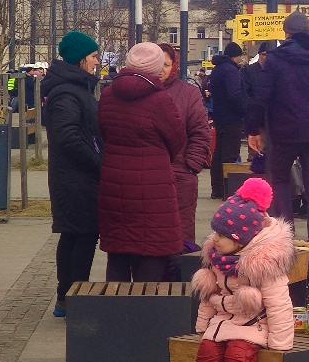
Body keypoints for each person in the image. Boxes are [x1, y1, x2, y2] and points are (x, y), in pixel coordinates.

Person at [189, 178, 294, 362]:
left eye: (223, 235)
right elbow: (208, 294)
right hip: (222, 322)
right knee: (208, 356)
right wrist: (202, 326)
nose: (216, 239)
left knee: (238, 357)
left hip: (253, 325)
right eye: (215, 232)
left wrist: (280, 344)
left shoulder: (263, 264)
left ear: (242, 239)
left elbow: (279, 303)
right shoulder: (217, 258)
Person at [246, 12, 309, 254]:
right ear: (308, 32)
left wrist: (253, 130)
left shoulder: (274, 60)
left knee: (280, 181)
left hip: (283, 132)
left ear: (286, 33)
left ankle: (285, 240)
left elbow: (261, 98)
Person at [98, 43, 188, 281]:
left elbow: (104, 132)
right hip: (153, 184)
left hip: (114, 180)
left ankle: (115, 310)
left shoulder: (108, 95)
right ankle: (145, 311)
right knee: (152, 247)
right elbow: (177, 139)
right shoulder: (160, 100)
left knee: (118, 249)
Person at [44, 31, 103, 317]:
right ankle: (72, 297)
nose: (96, 62)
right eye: (93, 57)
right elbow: (68, 137)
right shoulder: (67, 93)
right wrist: (97, 163)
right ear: (80, 59)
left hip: (77, 177)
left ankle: (68, 297)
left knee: (76, 237)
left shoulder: (76, 88)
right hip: (75, 179)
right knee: (80, 236)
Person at [159, 43, 213, 250]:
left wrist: (191, 165)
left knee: (181, 233)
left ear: (173, 65)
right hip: (147, 174)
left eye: (166, 64)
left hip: (180, 173)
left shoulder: (188, 93)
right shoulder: (142, 92)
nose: (161, 69)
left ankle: (178, 278)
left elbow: (201, 131)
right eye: (158, 64)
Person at [208, 42, 247, 199]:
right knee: (230, 154)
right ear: (235, 56)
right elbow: (235, 94)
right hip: (232, 117)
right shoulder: (231, 71)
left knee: (219, 153)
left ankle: (216, 188)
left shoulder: (218, 69)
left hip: (220, 115)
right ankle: (227, 189)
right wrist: (243, 110)